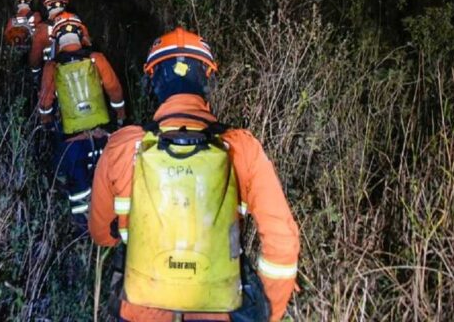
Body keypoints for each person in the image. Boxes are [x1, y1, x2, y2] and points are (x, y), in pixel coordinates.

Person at [89, 27, 300, 321]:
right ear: (207, 78)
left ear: (153, 79)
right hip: (219, 310)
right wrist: (269, 311)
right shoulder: (242, 148)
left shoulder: (122, 147)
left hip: (139, 311)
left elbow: (101, 235)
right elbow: (283, 244)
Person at [38, 12, 126, 233]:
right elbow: (115, 91)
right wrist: (121, 117)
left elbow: (45, 102)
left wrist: (47, 123)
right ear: (80, 34)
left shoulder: (52, 67)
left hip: (72, 141)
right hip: (102, 135)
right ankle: (114, 224)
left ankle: (82, 232)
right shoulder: (97, 59)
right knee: (110, 181)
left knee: (76, 186)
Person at [28, 0, 91, 84]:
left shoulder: (41, 29)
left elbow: (35, 58)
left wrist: (35, 72)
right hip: (82, 73)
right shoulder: (76, 22)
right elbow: (88, 44)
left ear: (47, 5)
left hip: (55, 75)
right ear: (64, 4)